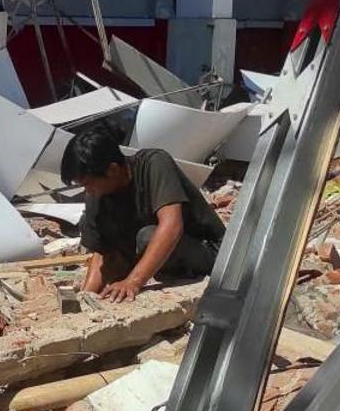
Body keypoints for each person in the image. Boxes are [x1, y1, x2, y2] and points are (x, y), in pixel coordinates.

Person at [61, 125, 225, 302]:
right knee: (92, 225)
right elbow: (103, 254)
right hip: (158, 256)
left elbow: (172, 226)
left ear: (113, 170)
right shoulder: (98, 195)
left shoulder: (154, 163)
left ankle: (176, 277)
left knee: (148, 236)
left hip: (208, 252)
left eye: (88, 184)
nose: (88, 191)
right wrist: (86, 296)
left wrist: (133, 281)